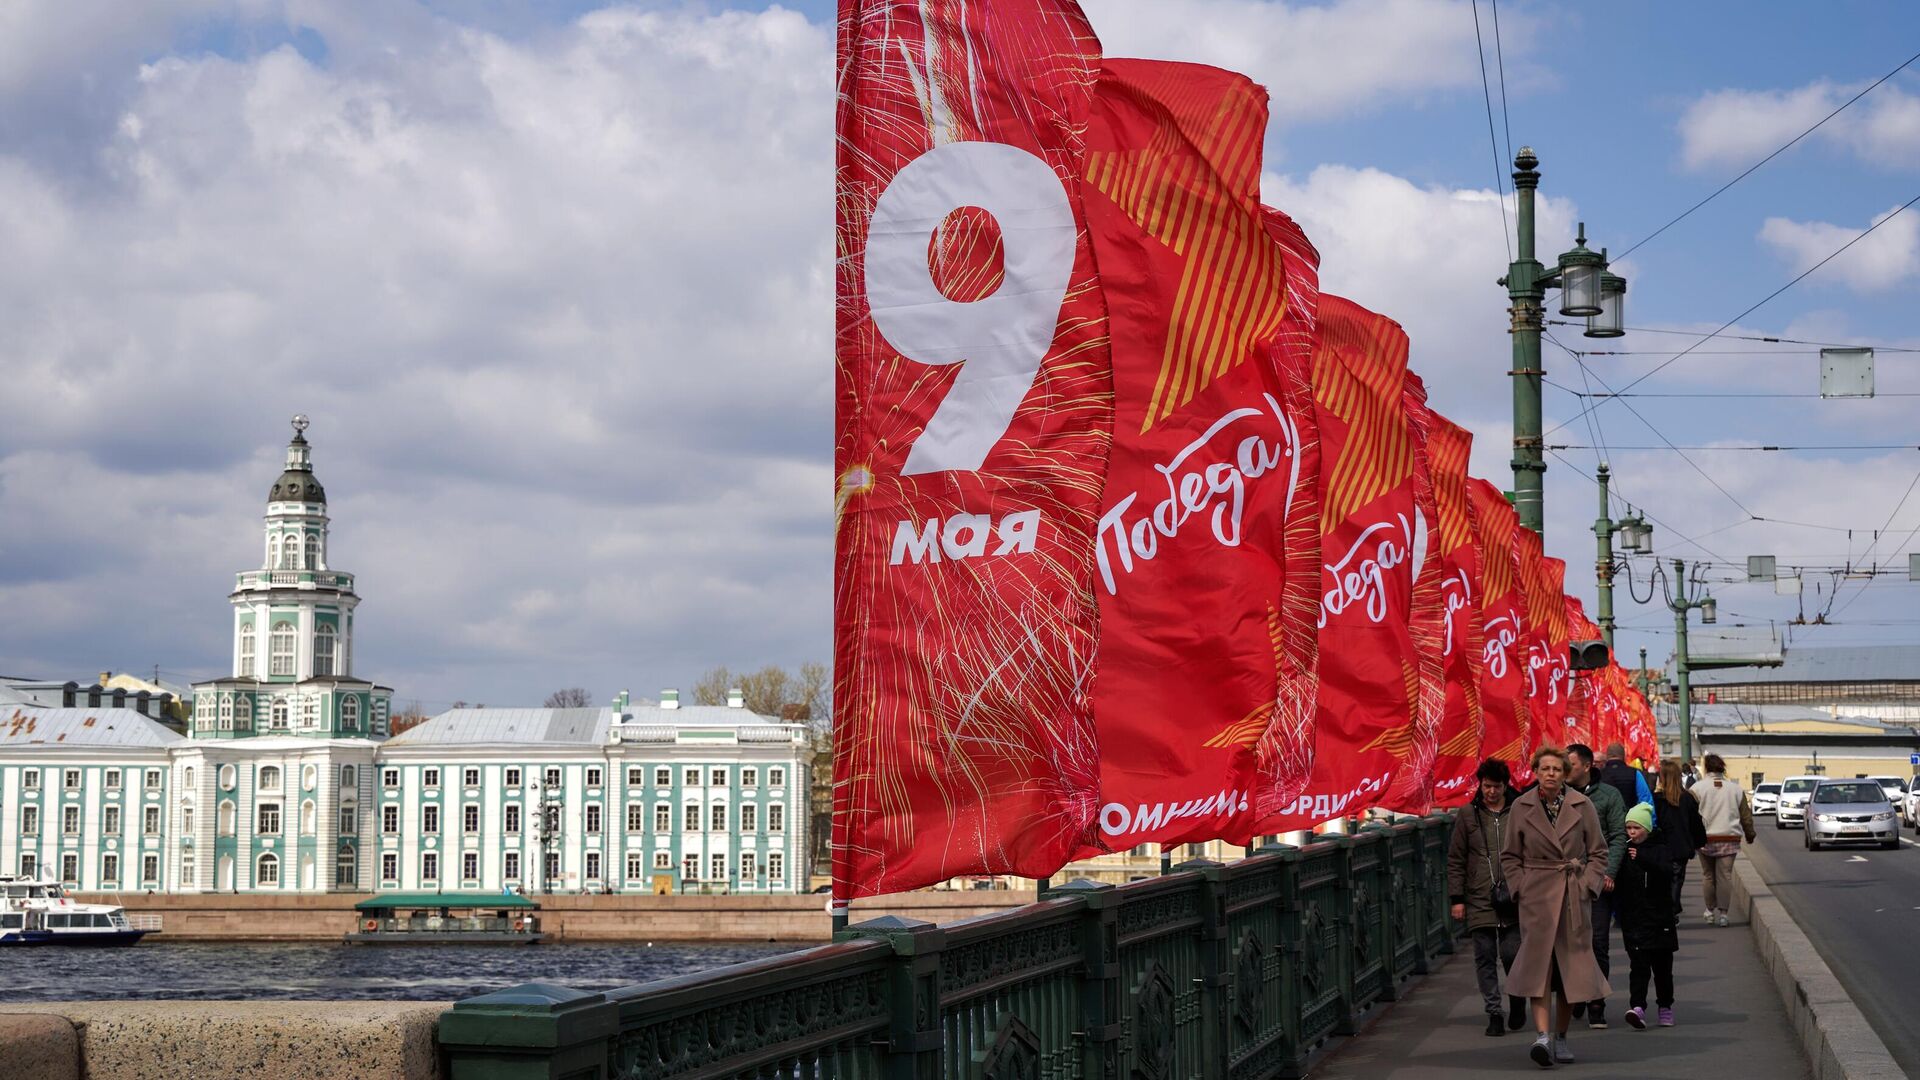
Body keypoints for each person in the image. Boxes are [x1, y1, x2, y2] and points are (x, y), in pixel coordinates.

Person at [1501, 745, 1610, 1068]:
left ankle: (1560, 1036)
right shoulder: (1521, 806)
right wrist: (1520, 887)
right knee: (1539, 969)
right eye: (1544, 769)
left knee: (1569, 973)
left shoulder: (1583, 805)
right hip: (1536, 897)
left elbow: (1599, 851)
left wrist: (1588, 884)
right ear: (1535, 772)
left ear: (1565, 774)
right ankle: (1542, 1036)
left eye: (1557, 770)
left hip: (1572, 897)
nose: (1550, 774)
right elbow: (1510, 855)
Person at [1448, 759, 1528, 1036]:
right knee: (1484, 956)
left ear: (1506, 786)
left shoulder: (1520, 811)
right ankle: (1494, 1012)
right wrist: (1456, 898)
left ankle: (1517, 998)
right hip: (1479, 895)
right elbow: (1456, 858)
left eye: (1496, 787)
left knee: (1512, 954)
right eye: (1486, 786)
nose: (1490, 792)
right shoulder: (1468, 815)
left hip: (1515, 895)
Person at [1565, 743, 1626, 1029]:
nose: (1565, 770)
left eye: (1571, 764)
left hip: (1596, 880)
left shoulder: (1609, 796)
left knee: (1598, 942)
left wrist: (1607, 872)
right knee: (1570, 943)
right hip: (1563, 881)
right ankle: (1575, 994)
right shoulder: (1558, 795)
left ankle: (1596, 1002)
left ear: (1587, 766)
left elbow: (1617, 837)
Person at [1616, 803, 1679, 1029]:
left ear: (1647, 829)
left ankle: (1665, 1007)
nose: (1632, 833)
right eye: (1629, 828)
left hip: (1660, 920)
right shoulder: (1624, 851)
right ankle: (1638, 1007)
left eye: (1636, 828)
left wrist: (1642, 858)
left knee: (1663, 970)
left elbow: (1666, 872)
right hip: (1635, 920)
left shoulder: (1660, 848)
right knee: (1639, 967)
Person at [1691, 753, 1756, 927]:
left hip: (1705, 838)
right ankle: (1724, 915)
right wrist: (1750, 834)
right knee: (1725, 876)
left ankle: (1709, 910)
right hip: (1729, 837)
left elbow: (1690, 815)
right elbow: (1745, 816)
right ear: (1722, 768)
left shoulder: (1697, 789)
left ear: (1706, 767)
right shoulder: (1735, 789)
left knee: (1708, 875)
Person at [1654, 759, 1707, 914]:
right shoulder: (1687, 798)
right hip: (1681, 846)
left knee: (1662, 880)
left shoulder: (1657, 799)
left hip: (1661, 846)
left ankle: (1668, 908)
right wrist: (1699, 842)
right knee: (1677, 879)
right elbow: (1696, 823)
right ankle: (1673, 908)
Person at [1598, 743, 1654, 822]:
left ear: (1607, 756)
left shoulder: (1598, 775)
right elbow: (1645, 800)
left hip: (1605, 824)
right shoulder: (1634, 773)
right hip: (1630, 823)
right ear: (1623, 756)